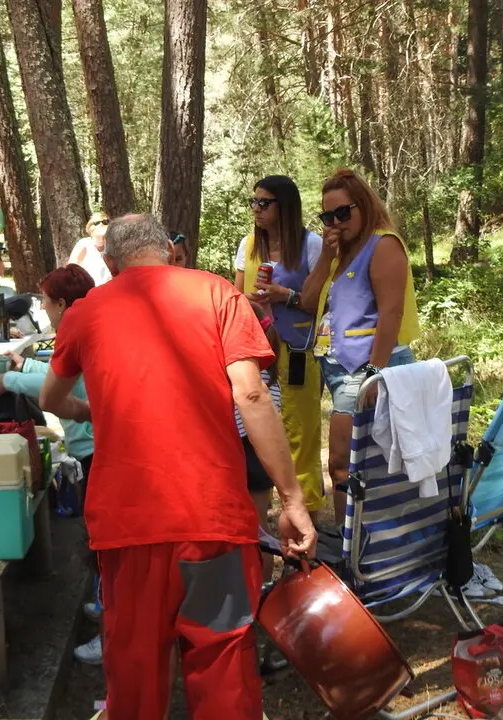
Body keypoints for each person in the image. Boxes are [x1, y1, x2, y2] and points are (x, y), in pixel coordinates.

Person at [39, 214, 316, 720]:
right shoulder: (217, 294)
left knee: (136, 673)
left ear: (109, 260)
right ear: (168, 248)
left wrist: (92, 409)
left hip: (128, 526)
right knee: (224, 665)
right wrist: (293, 499)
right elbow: (251, 393)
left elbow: (51, 397)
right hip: (213, 521)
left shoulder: (85, 312)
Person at [0, 265, 100, 664]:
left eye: (46, 302)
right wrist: (21, 367)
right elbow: (58, 372)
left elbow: (58, 387)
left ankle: (113, 628)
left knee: (103, 544)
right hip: (95, 450)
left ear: (62, 304)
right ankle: (106, 606)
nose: (43, 308)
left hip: (99, 452)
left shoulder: (80, 332)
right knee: (99, 540)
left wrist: (10, 380)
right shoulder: (87, 327)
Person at [299, 168, 420, 524]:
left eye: (343, 212)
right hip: (340, 371)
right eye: (327, 215)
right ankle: (355, 540)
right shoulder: (339, 253)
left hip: (366, 369)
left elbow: (391, 312)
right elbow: (308, 300)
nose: (336, 222)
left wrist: (375, 372)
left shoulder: (383, 245)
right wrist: (325, 256)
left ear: (364, 206)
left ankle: (352, 546)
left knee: (342, 463)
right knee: (357, 465)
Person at [234, 175, 326, 520]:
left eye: (264, 202)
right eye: (253, 202)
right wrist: (253, 300)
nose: (256, 209)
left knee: (301, 435)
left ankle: (307, 515)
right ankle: (264, 511)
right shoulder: (248, 246)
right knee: (256, 431)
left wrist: (285, 296)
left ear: (284, 206)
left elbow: (322, 302)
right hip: (256, 353)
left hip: (298, 351)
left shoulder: (311, 245)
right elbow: (236, 296)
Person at [238, 301, 282, 575]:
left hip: (246, 452)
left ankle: (259, 591)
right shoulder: (270, 372)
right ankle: (264, 590)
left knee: (251, 531)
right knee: (260, 526)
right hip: (262, 455)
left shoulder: (246, 378)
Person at [68, 212, 112, 285]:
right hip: (89, 290)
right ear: (91, 233)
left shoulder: (111, 247)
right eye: (98, 236)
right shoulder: (84, 244)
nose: (101, 239)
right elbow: (71, 269)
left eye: (104, 236)